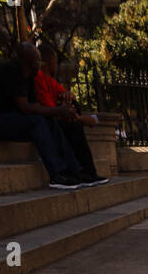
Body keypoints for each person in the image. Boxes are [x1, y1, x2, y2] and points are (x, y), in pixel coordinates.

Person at [0, 42, 93, 189]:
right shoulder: (12, 71)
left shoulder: (29, 77)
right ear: (29, 61)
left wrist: (59, 110)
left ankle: (74, 170)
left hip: (11, 118)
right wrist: (60, 110)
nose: (40, 64)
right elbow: (26, 107)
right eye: (38, 60)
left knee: (48, 121)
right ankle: (57, 173)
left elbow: (36, 106)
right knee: (36, 122)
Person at [35, 41, 108, 184]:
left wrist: (68, 96)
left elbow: (66, 96)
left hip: (57, 117)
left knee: (74, 114)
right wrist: (72, 114)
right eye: (55, 62)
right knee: (72, 126)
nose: (56, 66)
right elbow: (51, 110)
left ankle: (88, 172)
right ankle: (84, 172)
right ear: (49, 62)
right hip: (48, 121)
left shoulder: (50, 80)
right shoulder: (38, 78)